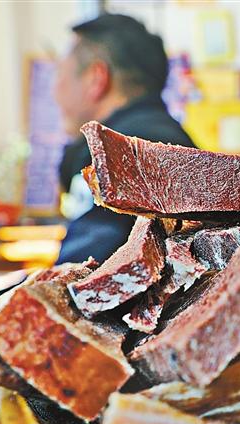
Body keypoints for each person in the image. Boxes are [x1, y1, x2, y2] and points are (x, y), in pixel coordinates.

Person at [54, 14, 195, 264]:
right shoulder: (171, 140)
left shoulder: (116, 154)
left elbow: (80, 274)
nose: (56, 91)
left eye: (61, 76)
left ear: (96, 79)